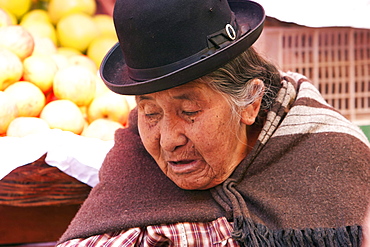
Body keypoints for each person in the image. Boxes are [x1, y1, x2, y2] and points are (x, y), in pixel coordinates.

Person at [57, 0, 370, 246]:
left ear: (251, 103)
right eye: (150, 113)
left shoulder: (330, 151)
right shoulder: (133, 159)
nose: (168, 141)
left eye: (189, 111)